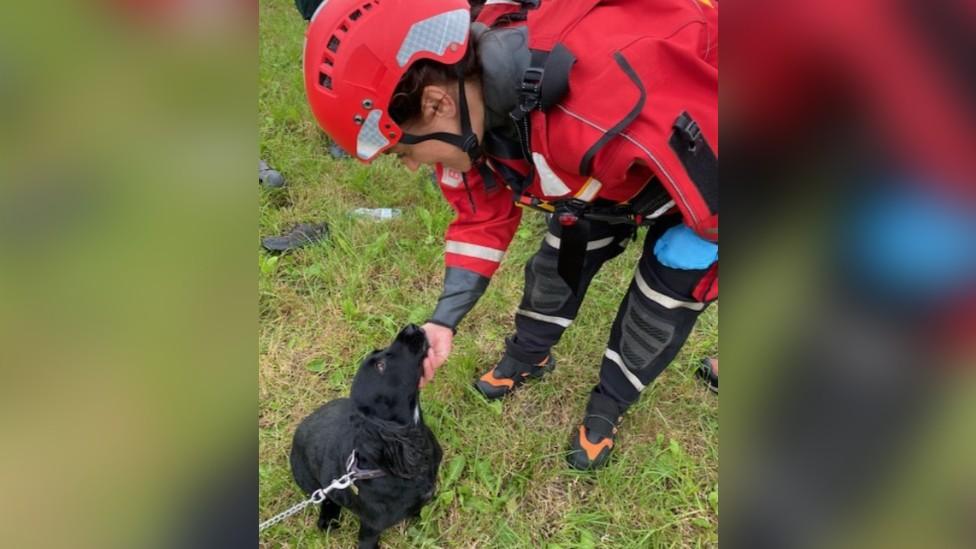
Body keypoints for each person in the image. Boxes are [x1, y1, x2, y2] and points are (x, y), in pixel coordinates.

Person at [301, 0, 718, 469]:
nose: (414, 165)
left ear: (436, 102)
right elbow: (480, 217)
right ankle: (529, 356)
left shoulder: (605, 96)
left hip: (707, 166)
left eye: (404, 152)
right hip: (602, 177)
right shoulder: (471, 117)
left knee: (668, 289)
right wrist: (444, 319)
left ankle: (610, 401)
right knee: (557, 264)